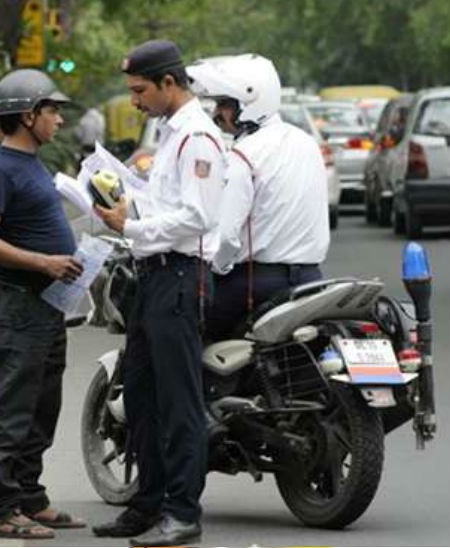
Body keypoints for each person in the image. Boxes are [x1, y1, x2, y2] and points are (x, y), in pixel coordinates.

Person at [92, 39, 226, 547]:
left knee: (178, 401)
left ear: (169, 83)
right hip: (152, 276)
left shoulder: (198, 138)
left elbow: (199, 217)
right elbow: (165, 201)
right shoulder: (171, 134)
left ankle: (182, 512)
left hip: (179, 276)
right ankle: (145, 503)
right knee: (142, 397)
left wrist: (133, 227)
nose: (134, 101)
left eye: (140, 90)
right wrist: (128, 202)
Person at [0, 68, 86, 540]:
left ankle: (30, 498)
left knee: (43, 406)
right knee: (12, 409)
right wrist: (44, 263)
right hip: (17, 306)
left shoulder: (32, 163)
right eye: (52, 110)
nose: (58, 119)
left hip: (46, 308)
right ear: (27, 115)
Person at [187, 54, 329, 342]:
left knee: (186, 331)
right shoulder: (306, 142)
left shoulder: (245, 154)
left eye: (225, 104)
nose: (217, 113)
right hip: (312, 279)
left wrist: (215, 266)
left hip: (255, 283)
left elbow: (227, 237)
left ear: (249, 103)